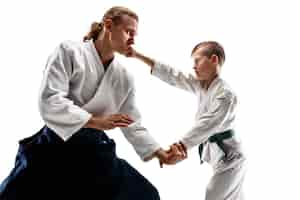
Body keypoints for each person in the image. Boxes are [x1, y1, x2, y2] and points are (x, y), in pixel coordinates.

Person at [0, 6, 182, 200]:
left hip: (94, 151)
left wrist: (160, 153)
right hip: (55, 146)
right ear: (109, 26)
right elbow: (50, 99)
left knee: (146, 194)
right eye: (128, 32)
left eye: (135, 34)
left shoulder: (123, 77)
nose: (133, 39)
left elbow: (132, 123)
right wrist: (97, 122)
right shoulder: (70, 51)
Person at [126, 41, 247, 200]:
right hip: (219, 155)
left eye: (197, 60)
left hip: (231, 159)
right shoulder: (201, 85)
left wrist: (180, 145)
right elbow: (173, 75)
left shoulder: (226, 95)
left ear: (214, 60)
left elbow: (207, 124)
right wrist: (137, 55)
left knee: (214, 195)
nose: (193, 66)